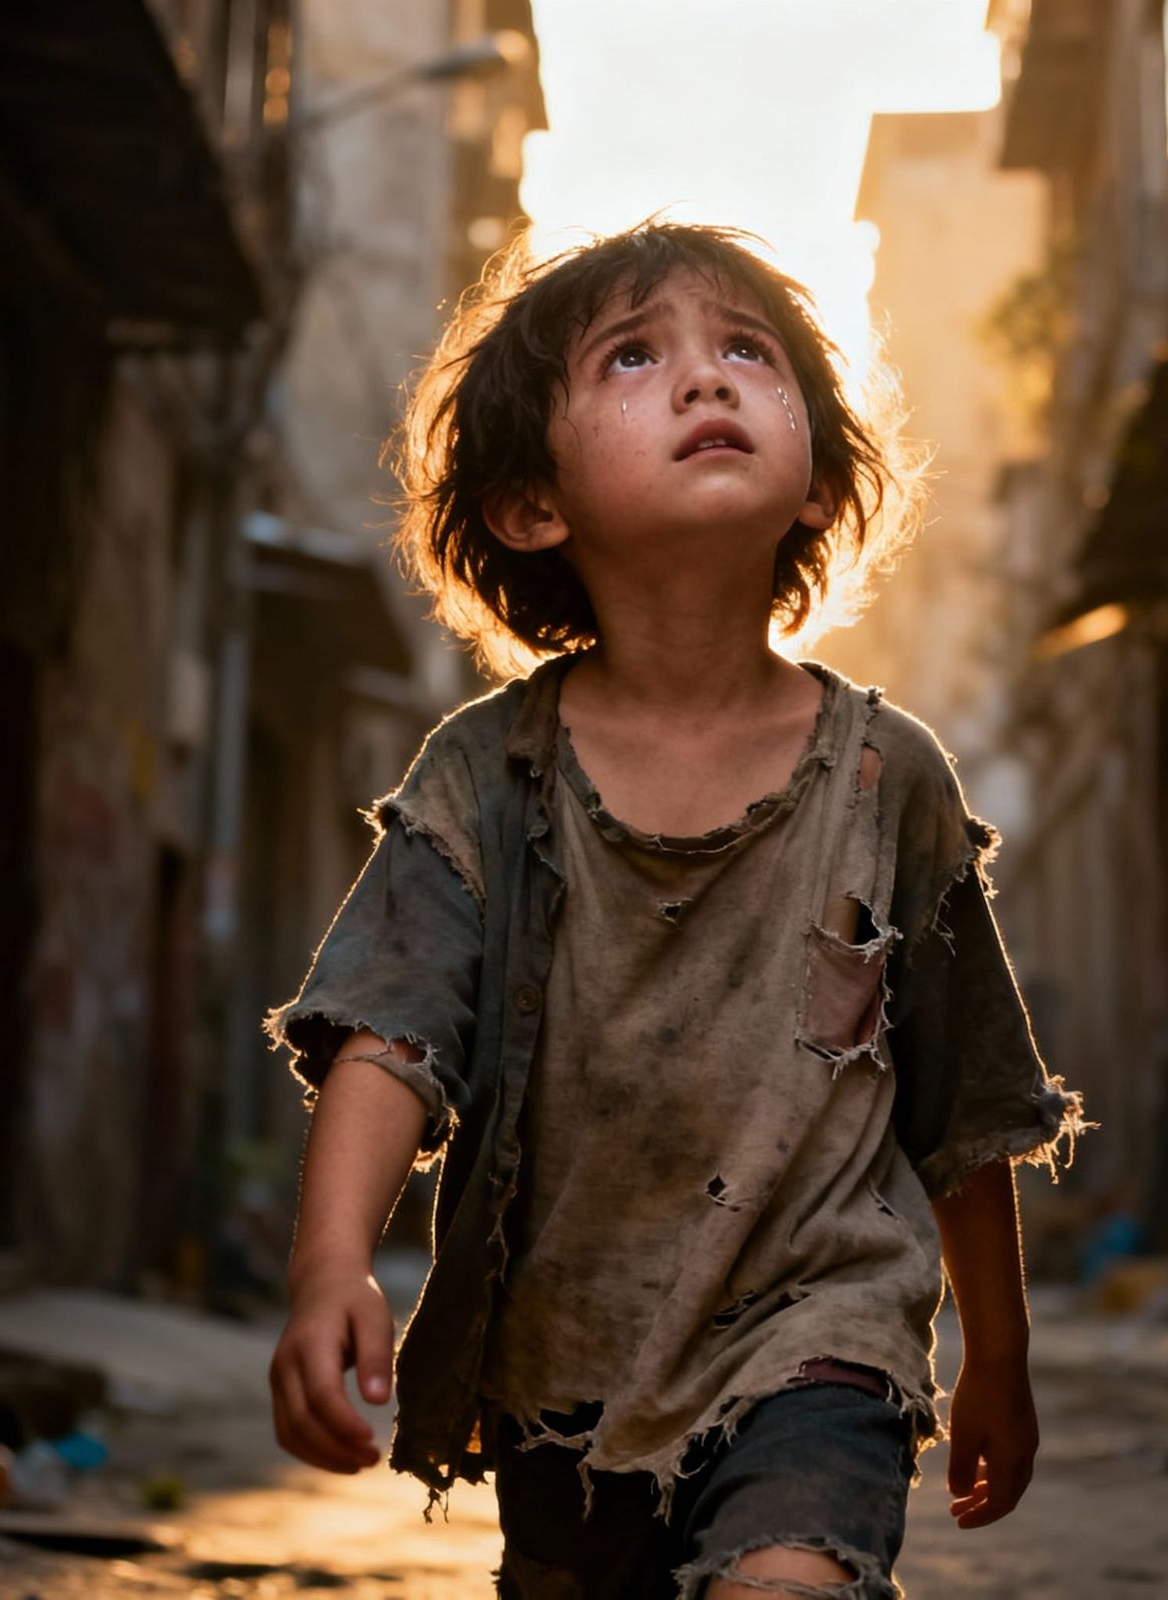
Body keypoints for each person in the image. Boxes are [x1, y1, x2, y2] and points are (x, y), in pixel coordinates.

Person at [265, 221, 1084, 1600]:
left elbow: (965, 1105)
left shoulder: (892, 779)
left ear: (817, 478)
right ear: (534, 503)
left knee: (786, 1582)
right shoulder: (486, 773)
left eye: (746, 354)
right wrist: (330, 1262)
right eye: (636, 357)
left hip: (827, 1327)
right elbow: (392, 1031)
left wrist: (994, 1357)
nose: (707, 382)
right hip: (565, 1368)